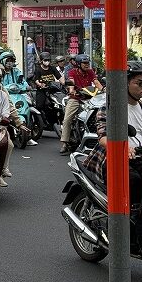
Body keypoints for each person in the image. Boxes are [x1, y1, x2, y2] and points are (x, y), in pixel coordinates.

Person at [83, 61, 142, 253]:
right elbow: (103, 137)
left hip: (139, 158)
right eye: (139, 83)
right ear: (125, 83)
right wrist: (122, 149)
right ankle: (134, 236)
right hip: (114, 160)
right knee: (136, 182)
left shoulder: (141, 106)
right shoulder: (112, 107)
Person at [60, 54, 103, 154]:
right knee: (67, 119)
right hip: (76, 98)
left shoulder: (90, 72)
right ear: (79, 64)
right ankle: (65, 143)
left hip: (89, 98)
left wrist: (104, 89)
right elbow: (71, 82)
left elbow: (96, 83)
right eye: (84, 63)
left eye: (88, 63)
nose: (87, 65)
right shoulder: (72, 72)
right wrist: (72, 90)